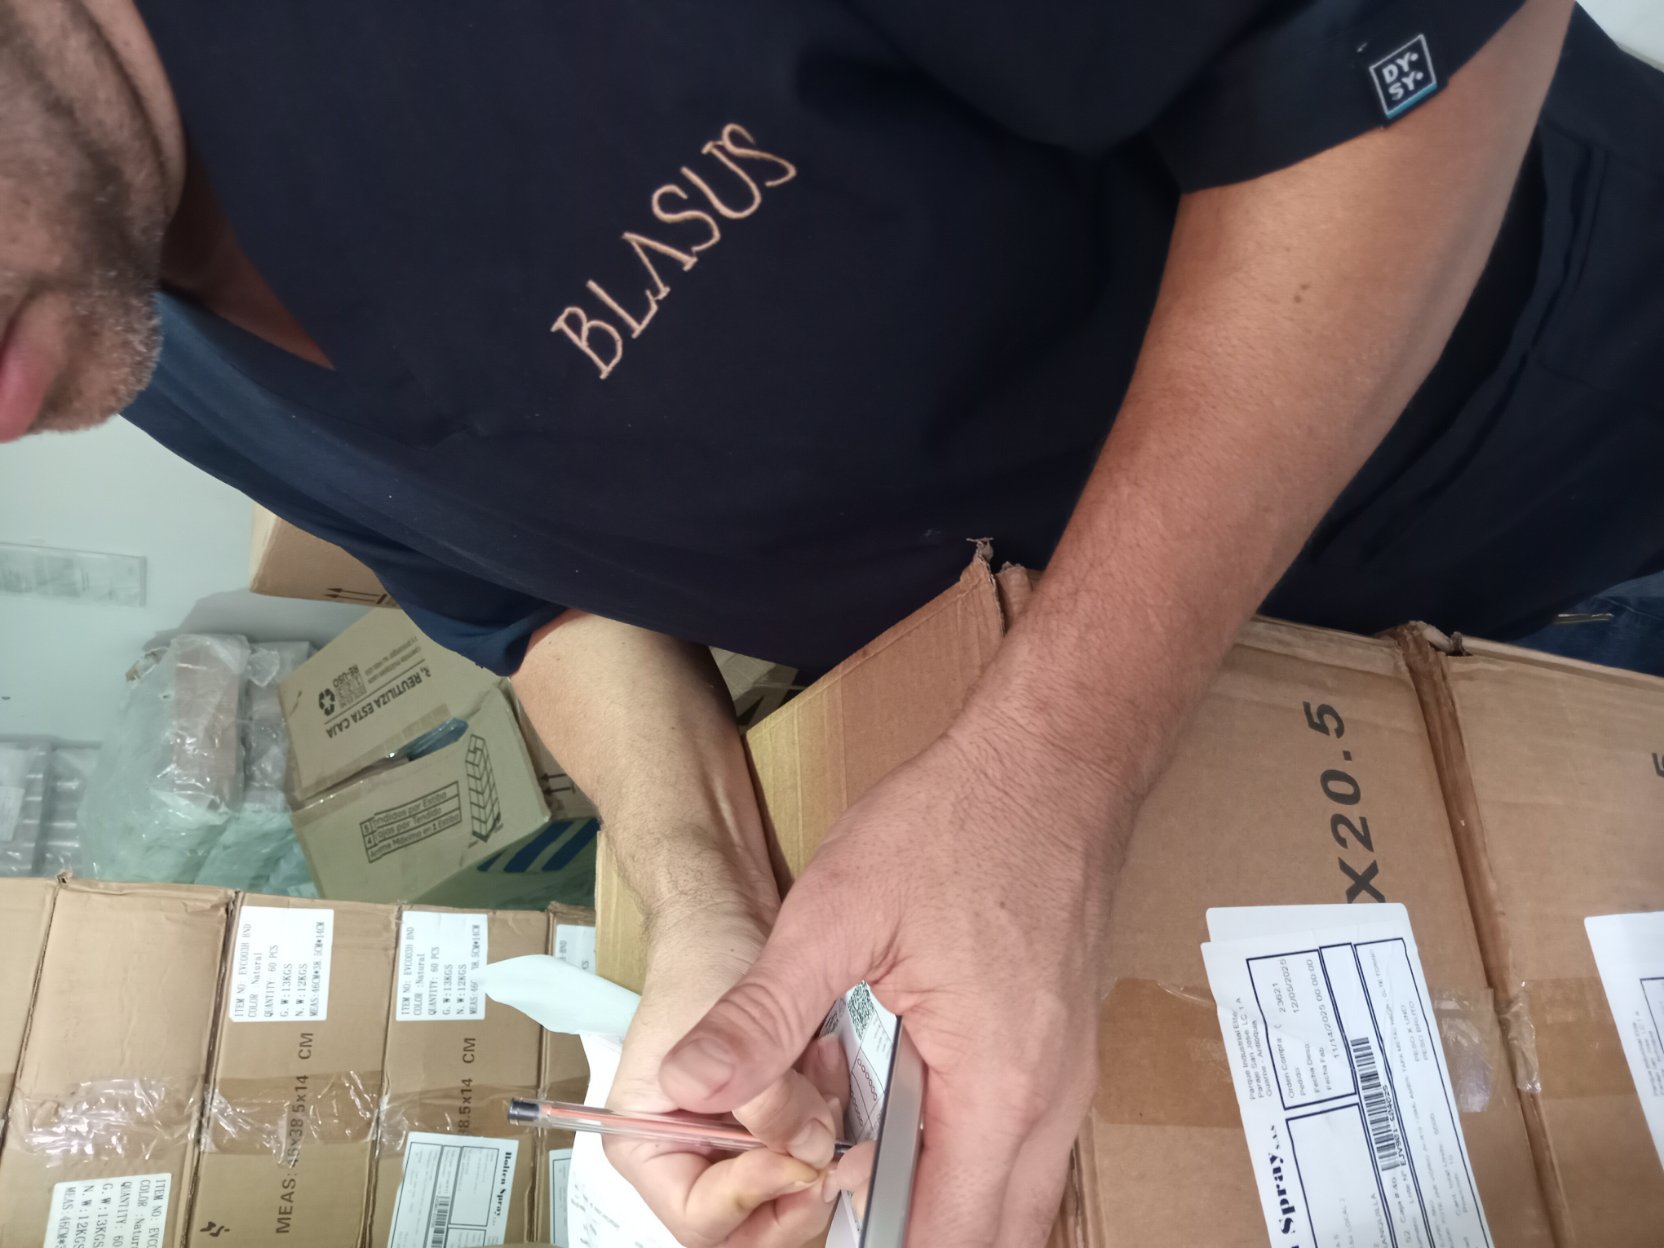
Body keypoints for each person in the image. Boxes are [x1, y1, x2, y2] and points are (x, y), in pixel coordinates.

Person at [4, 0, 1661, 1242]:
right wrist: (701, 895)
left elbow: (1423, 47)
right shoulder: (107, 311)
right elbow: (520, 596)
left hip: (1569, 511)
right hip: (1245, 788)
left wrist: (1049, 770)